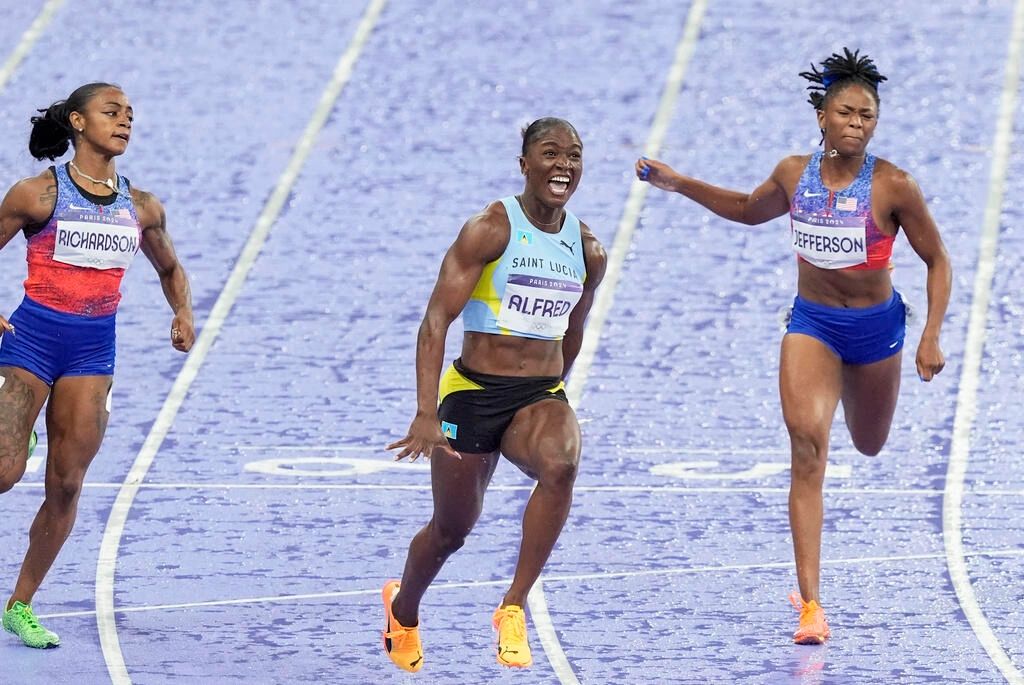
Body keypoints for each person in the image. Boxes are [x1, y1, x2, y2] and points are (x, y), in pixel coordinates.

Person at [636, 48, 951, 644]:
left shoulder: (894, 187)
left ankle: (813, 593)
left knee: (870, 443)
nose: (857, 124)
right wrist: (679, 184)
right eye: (847, 113)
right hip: (814, 327)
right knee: (808, 449)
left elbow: (937, 260)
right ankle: (811, 604)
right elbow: (745, 210)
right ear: (822, 118)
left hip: (878, 330)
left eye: (867, 116)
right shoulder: (791, 175)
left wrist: (929, 334)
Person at [382, 117, 607, 671]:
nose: (563, 166)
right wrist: (425, 412)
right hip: (472, 394)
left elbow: (574, 330)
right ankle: (403, 609)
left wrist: (555, 395)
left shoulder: (588, 250)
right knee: (450, 531)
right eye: (550, 154)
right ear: (525, 164)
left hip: (538, 394)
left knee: (562, 463)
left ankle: (513, 606)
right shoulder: (490, 229)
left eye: (573, 156)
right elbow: (436, 320)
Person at [0, 83, 195, 648]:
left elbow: (169, 268)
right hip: (31, 341)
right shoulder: (37, 195)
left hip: (91, 354)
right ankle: (22, 436)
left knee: (66, 485)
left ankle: (20, 605)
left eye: (131, 115)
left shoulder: (142, 208)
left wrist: (182, 312)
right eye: (112, 113)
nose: (125, 122)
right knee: (4, 473)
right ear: (78, 123)